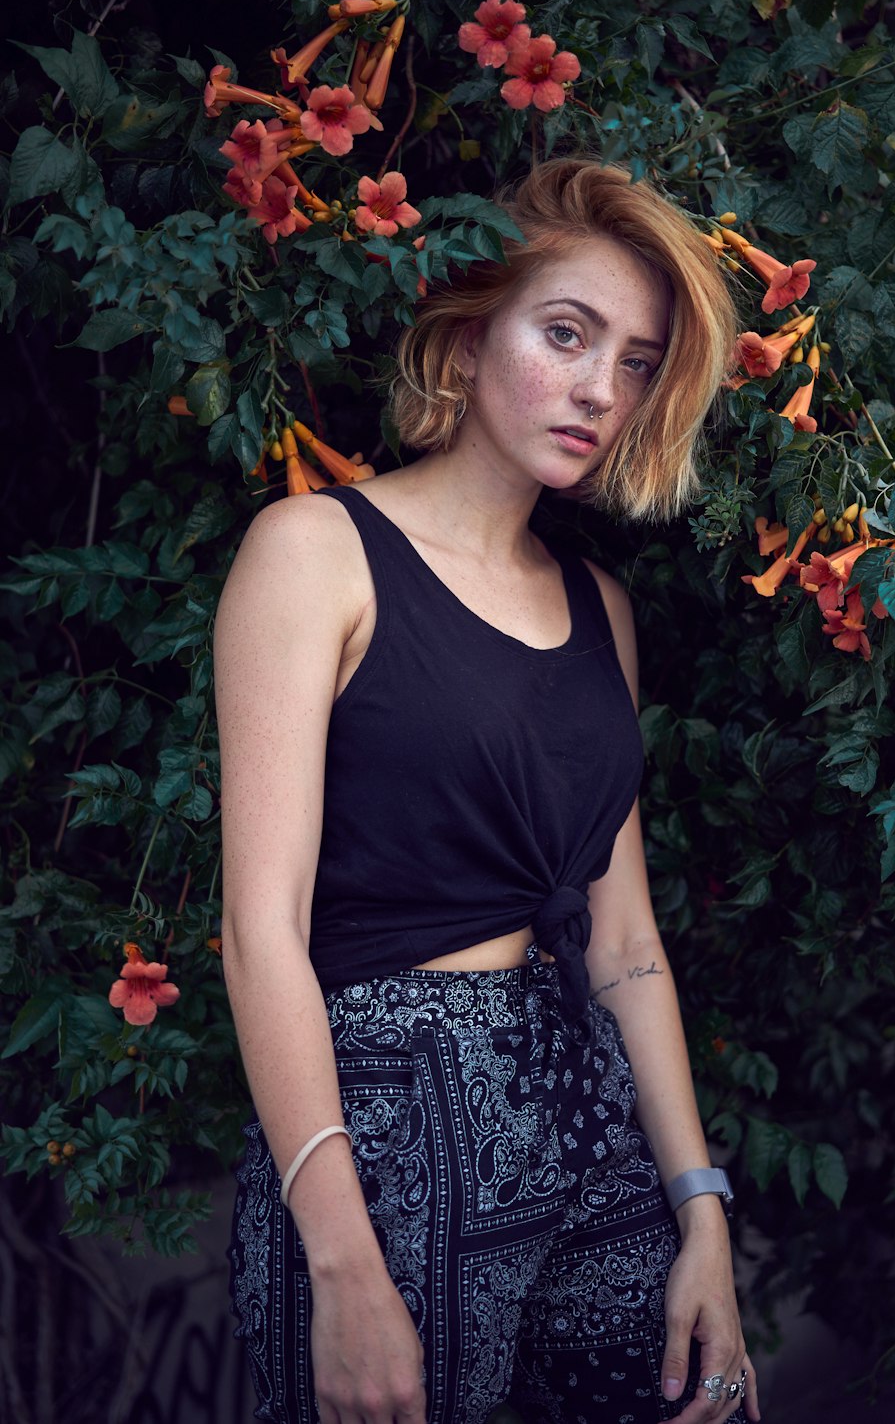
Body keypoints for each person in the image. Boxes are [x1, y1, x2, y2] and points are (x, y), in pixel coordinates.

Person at [217, 157, 761, 1424]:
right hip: (384, 1130)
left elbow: (624, 946)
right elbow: (259, 936)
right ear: (465, 342)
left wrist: (701, 1209)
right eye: (566, 335)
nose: (599, 389)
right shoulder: (313, 554)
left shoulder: (601, 611)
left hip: (584, 1108)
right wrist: (341, 1261)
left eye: (633, 363)